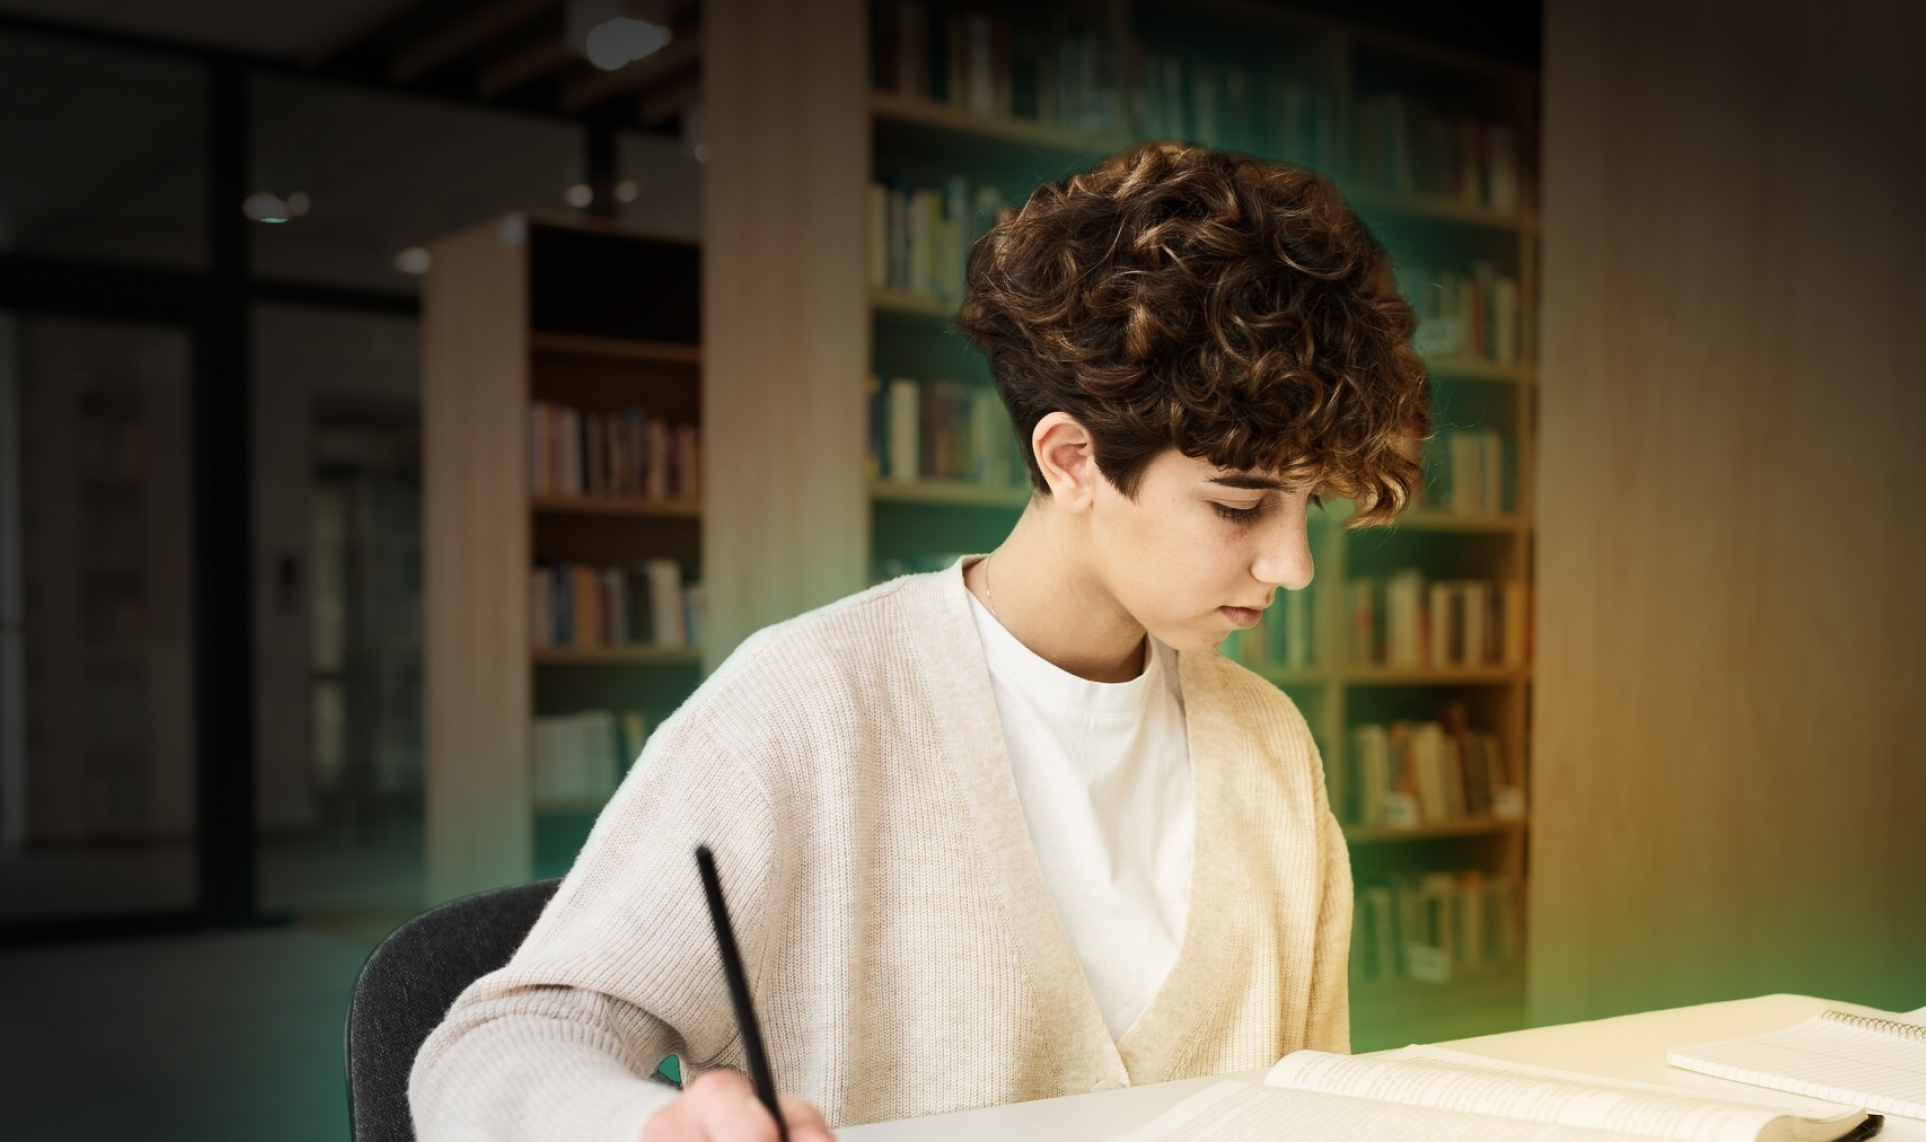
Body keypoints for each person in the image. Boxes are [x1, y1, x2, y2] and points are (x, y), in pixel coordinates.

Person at [410, 140, 1430, 1142]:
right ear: (1072, 457)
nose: (1294, 563)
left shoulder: (1269, 746)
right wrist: (651, 1127)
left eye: (1312, 504)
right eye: (1240, 504)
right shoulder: (806, 705)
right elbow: (502, 1043)